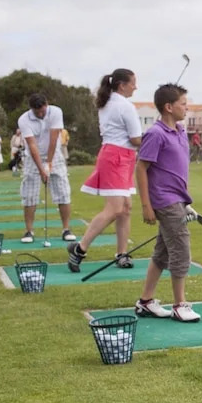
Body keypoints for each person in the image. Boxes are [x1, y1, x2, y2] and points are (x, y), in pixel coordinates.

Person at [133, 83, 201, 323]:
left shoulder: (180, 131)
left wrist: (185, 202)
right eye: (183, 103)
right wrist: (146, 206)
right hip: (164, 200)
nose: (187, 107)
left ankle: (145, 301)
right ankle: (180, 305)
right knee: (180, 250)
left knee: (162, 253)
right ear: (169, 107)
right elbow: (141, 168)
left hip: (177, 199)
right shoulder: (155, 134)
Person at [68, 69, 142, 273]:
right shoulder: (125, 106)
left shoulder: (108, 102)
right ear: (122, 85)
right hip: (116, 158)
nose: (136, 87)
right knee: (115, 209)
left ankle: (122, 254)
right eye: (133, 83)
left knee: (126, 207)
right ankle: (79, 248)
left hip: (120, 157)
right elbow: (136, 138)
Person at [16, 93, 76, 243]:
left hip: (55, 155)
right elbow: (32, 145)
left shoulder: (56, 112)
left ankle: (66, 229)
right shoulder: (24, 120)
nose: (41, 114)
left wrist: (48, 164)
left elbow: (53, 139)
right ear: (31, 109)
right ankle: (29, 231)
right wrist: (42, 170)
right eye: (37, 112)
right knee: (29, 195)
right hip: (32, 158)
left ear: (46, 104)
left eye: (42, 111)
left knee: (63, 192)